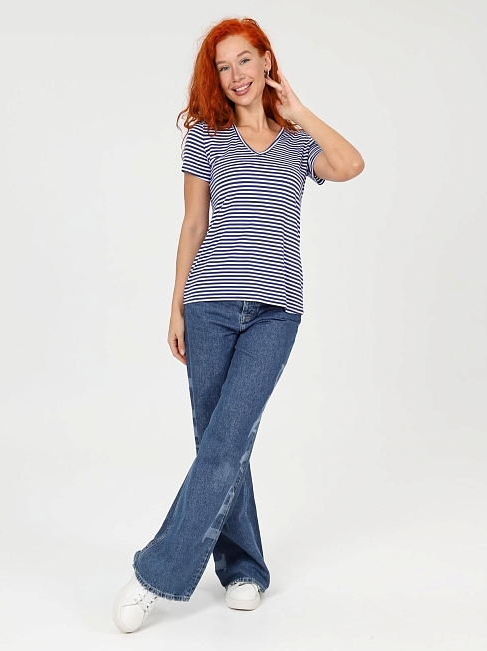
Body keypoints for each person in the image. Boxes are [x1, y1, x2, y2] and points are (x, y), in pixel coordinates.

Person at [113, 16, 364, 633]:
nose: (235, 75)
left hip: (276, 313)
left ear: (265, 60)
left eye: (244, 60)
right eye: (223, 67)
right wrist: (176, 306)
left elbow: (351, 165)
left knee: (226, 440)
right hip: (209, 309)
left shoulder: (296, 141)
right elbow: (192, 224)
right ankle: (245, 568)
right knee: (220, 443)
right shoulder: (207, 134)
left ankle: (155, 574)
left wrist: (298, 109)